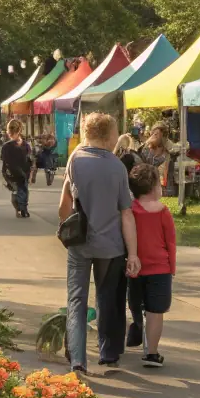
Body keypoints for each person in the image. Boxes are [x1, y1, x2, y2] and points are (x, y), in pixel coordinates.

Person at [59, 111, 140, 374]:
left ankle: (78, 360)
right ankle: (108, 352)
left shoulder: (75, 160)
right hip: (111, 246)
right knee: (107, 297)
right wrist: (134, 254)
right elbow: (126, 213)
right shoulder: (117, 167)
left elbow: (64, 204)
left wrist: (66, 230)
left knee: (77, 300)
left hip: (80, 243)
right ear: (110, 135)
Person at [125, 162, 176, 367]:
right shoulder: (164, 211)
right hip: (160, 269)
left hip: (135, 268)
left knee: (136, 304)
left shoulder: (129, 210)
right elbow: (170, 242)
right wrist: (172, 267)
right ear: (155, 186)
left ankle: (137, 326)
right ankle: (152, 353)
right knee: (155, 312)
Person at [0, 120, 33, 218]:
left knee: (20, 192)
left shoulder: (9, 146)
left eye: (11, 133)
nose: (10, 135)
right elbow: (30, 161)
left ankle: (21, 209)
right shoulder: (24, 145)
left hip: (17, 174)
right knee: (21, 191)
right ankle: (21, 209)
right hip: (18, 174)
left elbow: (5, 161)